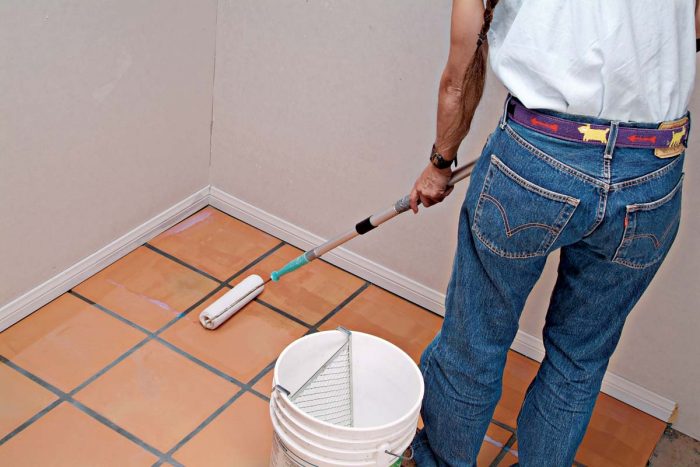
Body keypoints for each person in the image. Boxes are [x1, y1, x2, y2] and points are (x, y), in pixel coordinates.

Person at [408, 0, 697, 465]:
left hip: (541, 151)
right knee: (577, 361)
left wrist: (441, 163)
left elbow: (459, 70)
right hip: (653, 163)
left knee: (475, 341)